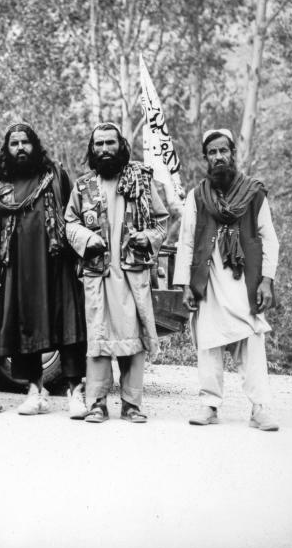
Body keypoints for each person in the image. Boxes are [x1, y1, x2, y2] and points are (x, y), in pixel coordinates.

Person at [173, 128, 280, 430]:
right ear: (205, 158)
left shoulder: (253, 193)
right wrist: (185, 285)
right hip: (208, 282)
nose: (218, 157)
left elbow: (268, 238)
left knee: (252, 341)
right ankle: (209, 405)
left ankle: (260, 408)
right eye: (212, 152)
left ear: (233, 154)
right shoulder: (197, 196)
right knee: (208, 343)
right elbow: (186, 242)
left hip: (244, 282)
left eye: (223, 151)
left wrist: (267, 280)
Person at [0, 123, 88, 416]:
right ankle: (34, 392)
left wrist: (81, 256)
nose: (20, 149)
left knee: (67, 327)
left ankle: (75, 393)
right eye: (13, 144)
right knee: (21, 329)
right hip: (17, 269)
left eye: (25, 142)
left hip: (57, 264)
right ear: (7, 149)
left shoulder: (54, 175)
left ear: (35, 145)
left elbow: (74, 215)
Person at [64, 122, 168, 423]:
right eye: (99, 144)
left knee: (133, 339)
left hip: (132, 276)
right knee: (98, 339)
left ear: (121, 145)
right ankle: (97, 404)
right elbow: (69, 223)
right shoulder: (83, 187)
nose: (105, 149)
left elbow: (161, 222)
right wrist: (87, 238)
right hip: (99, 276)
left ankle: (132, 405)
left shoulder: (141, 181)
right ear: (92, 149)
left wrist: (147, 237)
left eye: (111, 143)